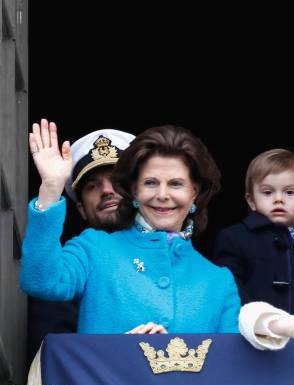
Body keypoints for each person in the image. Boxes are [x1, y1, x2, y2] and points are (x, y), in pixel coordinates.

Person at [21, 120, 240, 333]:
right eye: (150, 183)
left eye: (176, 183)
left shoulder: (220, 281)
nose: (162, 195)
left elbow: (228, 364)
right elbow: (40, 281)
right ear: (134, 192)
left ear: (195, 193)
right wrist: (50, 189)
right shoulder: (94, 248)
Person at [27, 127, 136, 361]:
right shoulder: (70, 265)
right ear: (81, 210)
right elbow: (56, 360)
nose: (107, 190)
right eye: (92, 186)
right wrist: (51, 189)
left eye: (117, 181)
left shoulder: (189, 261)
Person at [214, 149, 294, 314]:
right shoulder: (235, 238)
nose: (279, 199)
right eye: (268, 192)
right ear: (251, 201)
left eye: (289, 192)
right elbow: (229, 291)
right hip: (259, 333)